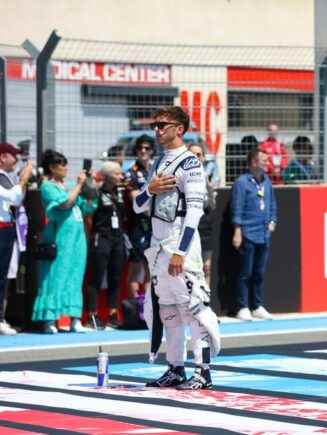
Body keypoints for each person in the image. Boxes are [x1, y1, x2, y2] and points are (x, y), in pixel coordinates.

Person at [133, 106, 220, 390]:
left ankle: (203, 371)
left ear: (179, 129)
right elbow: (138, 205)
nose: (157, 129)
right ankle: (175, 368)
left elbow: (195, 210)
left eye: (162, 125)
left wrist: (181, 252)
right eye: (155, 124)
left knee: (193, 308)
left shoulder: (190, 164)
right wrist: (150, 189)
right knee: (165, 310)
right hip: (157, 248)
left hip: (180, 245)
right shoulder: (160, 162)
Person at [32, 150, 95, 334]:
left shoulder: (64, 186)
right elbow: (65, 204)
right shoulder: (47, 186)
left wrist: (89, 187)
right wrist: (79, 185)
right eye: (62, 165)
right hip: (60, 239)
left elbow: (86, 206)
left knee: (75, 276)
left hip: (76, 239)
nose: (66, 168)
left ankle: (75, 319)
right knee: (55, 276)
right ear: (52, 167)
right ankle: (49, 319)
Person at [0, 148, 31, 336]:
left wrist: (22, 182)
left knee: (1, 276)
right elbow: (13, 196)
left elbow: (17, 199)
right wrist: (23, 179)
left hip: (6, 229)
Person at [231, 149, 277, 321]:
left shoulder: (267, 182)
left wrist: (273, 220)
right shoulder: (242, 182)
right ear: (253, 162)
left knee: (259, 272)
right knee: (245, 272)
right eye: (263, 159)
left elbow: (272, 204)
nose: (266, 162)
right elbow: (237, 207)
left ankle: (257, 305)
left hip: (264, 234)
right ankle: (242, 306)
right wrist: (237, 230)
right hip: (247, 233)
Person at [87, 161, 128, 330]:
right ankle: (91, 315)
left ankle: (112, 314)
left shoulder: (120, 192)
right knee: (96, 276)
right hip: (101, 236)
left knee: (115, 276)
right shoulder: (97, 191)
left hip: (117, 237)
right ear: (108, 175)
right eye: (117, 174)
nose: (121, 176)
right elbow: (89, 215)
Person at [0, 143, 29, 316]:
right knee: (1, 277)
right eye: (13, 155)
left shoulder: (7, 177)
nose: (16, 159)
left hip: (8, 231)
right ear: (2, 157)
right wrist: (24, 179)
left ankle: (0, 317)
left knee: (7, 277)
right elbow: (15, 200)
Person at [125, 136, 154, 303]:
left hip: (154, 225)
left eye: (147, 148)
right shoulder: (131, 172)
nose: (143, 151)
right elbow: (138, 202)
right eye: (140, 148)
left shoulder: (155, 169)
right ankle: (136, 308)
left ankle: (150, 306)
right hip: (137, 226)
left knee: (152, 267)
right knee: (137, 267)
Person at [188, 143, 216, 289]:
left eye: (198, 155)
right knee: (190, 269)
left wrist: (209, 187)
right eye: (192, 154)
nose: (195, 158)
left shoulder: (207, 178)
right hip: (187, 229)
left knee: (206, 267)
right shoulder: (181, 177)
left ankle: (205, 303)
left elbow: (211, 205)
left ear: (204, 158)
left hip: (205, 227)